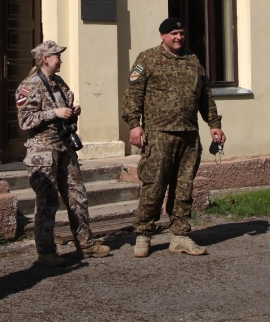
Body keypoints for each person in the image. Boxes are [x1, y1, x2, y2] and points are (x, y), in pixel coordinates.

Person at [123, 17, 226, 258]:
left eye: (181, 33)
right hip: (158, 135)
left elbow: (205, 96)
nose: (178, 37)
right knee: (154, 186)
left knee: (184, 187)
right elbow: (133, 95)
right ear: (162, 36)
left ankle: (180, 236)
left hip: (189, 135)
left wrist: (214, 124)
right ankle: (143, 235)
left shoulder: (192, 60)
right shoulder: (146, 59)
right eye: (173, 34)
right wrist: (134, 125)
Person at [16, 40, 111, 265]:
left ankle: (85, 244)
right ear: (45, 58)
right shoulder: (29, 86)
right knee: (47, 202)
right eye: (57, 55)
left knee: (77, 196)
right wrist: (54, 113)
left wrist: (73, 110)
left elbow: (67, 105)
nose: (60, 59)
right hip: (43, 152)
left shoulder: (59, 82)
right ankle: (46, 252)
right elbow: (25, 121)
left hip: (64, 148)